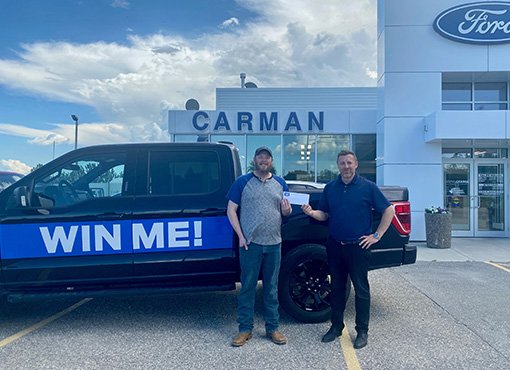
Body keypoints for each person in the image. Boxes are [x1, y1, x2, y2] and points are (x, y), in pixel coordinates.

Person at [301, 150, 394, 349]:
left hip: (358, 248)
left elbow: (389, 210)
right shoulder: (330, 188)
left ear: (356, 164)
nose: (346, 166)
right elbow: (324, 215)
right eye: (342, 163)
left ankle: (362, 331)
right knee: (336, 289)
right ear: (338, 165)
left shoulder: (368, 187)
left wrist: (376, 236)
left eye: (349, 162)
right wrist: (311, 212)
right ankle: (336, 327)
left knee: (361, 290)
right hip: (335, 246)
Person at [226, 146, 292, 347]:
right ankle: (245, 329)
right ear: (255, 160)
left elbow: (286, 212)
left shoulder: (281, 183)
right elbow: (231, 210)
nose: (264, 160)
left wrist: (287, 211)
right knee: (247, 287)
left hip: (274, 244)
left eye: (267, 157)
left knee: (271, 288)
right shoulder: (242, 182)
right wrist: (241, 236)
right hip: (250, 245)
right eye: (260, 157)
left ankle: (273, 328)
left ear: (271, 161)